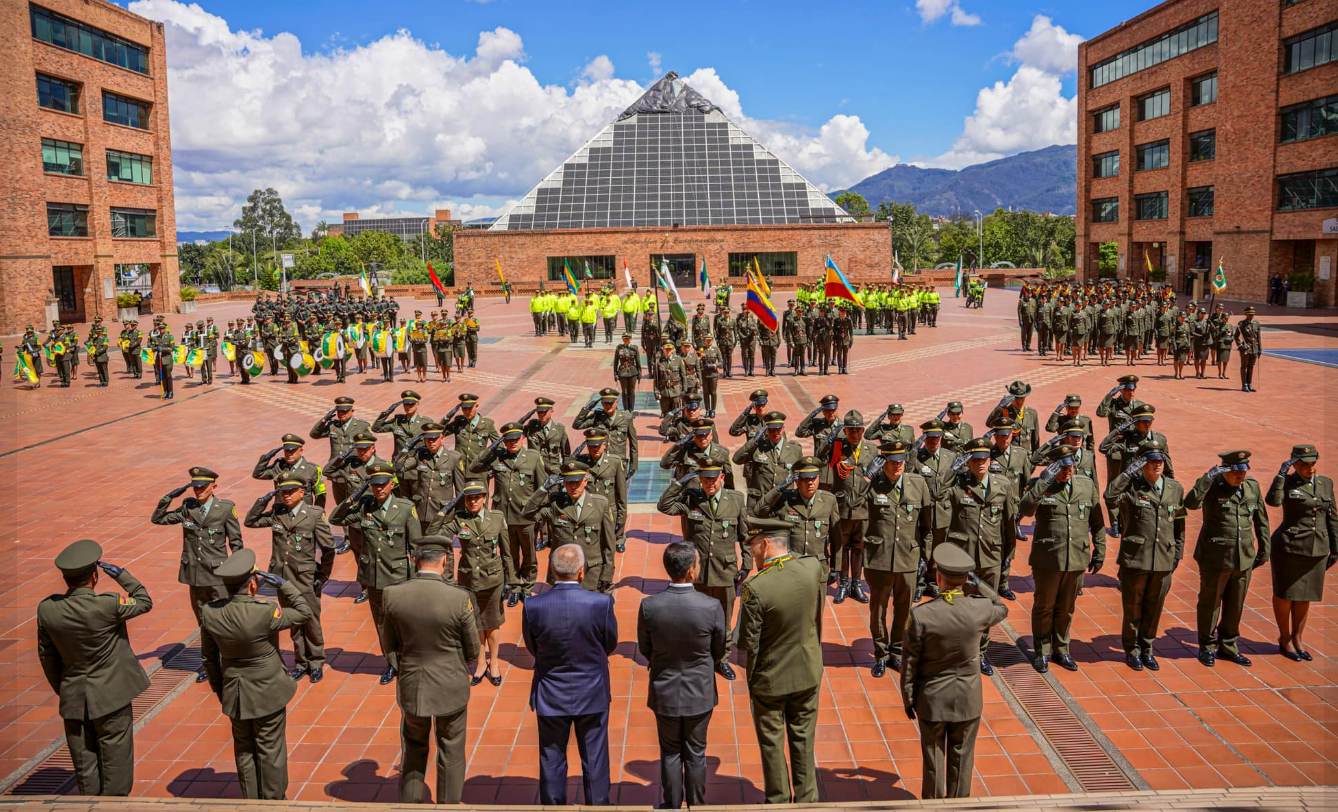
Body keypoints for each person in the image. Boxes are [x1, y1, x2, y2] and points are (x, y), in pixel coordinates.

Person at [36, 540, 152, 796]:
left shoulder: (47, 609)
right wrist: (122, 575)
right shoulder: (108, 604)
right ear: (95, 575)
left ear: (66, 578)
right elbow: (144, 600)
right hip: (112, 696)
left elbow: (48, 657)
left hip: (74, 697)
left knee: (85, 767)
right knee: (117, 762)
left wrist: (65, 688)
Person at [199, 549, 311, 800]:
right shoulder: (265, 611)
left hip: (235, 690)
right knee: (270, 747)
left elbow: (208, 659)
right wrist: (285, 586)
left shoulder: (210, 612)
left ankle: (251, 800)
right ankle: (272, 801)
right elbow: (304, 612)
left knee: (244, 748)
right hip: (268, 690)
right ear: (252, 583)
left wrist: (221, 691)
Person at [901, 544, 1008, 799]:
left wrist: (908, 697)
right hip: (968, 700)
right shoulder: (979, 610)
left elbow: (910, 663)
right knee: (962, 764)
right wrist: (979, 584)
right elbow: (1001, 607)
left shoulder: (921, 616)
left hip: (932, 699)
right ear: (965, 580)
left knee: (933, 764)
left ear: (938, 578)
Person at [381, 535, 479, 804]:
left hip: (413, 684)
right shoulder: (459, 598)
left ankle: (411, 805)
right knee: (451, 750)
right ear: (446, 561)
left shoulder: (392, 594)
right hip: (450, 685)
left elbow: (389, 645)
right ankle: (447, 806)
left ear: (415, 561)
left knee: (413, 747)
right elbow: (472, 650)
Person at [738, 516, 825, 804]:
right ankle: (807, 801)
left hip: (771, 680)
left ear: (765, 544)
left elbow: (748, 643)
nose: (751, 551)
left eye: (753, 545)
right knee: (803, 740)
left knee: (772, 744)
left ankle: (777, 800)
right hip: (808, 670)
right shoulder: (812, 567)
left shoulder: (756, 587)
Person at [523, 544, 618, 806]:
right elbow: (609, 644)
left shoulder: (533, 605)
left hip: (551, 694)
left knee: (551, 759)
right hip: (592, 691)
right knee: (595, 758)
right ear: (581, 572)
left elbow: (533, 648)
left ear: (553, 570)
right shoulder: (602, 603)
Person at [636, 542, 727, 810]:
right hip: (699, 691)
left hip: (664, 691)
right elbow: (718, 649)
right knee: (696, 753)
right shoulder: (711, 606)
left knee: (670, 752)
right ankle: (697, 806)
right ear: (690, 571)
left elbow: (645, 648)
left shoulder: (649, 606)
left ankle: (672, 805)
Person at [329, 461, 422, 684]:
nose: (378, 488)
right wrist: (354, 496)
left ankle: (409, 662)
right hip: (373, 576)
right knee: (381, 623)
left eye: (382, 484)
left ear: (391, 484)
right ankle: (392, 663)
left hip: (398, 577)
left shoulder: (405, 508)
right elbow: (335, 518)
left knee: (404, 621)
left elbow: (416, 546)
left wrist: (414, 578)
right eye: (373, 485)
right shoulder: (364, 506)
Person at [150, 466, 243, 682]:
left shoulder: (226, 508)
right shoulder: (187, 508)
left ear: (214, 486)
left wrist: (237, 575)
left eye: (202, 486)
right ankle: (209, 666)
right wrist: (170, 496)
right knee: (204, 623)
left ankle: (229, 663)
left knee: (224, 622)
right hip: (195, 577)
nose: (198, 490)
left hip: (218, 577)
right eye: (194, 487)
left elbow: (237, 543)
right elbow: (158, 519)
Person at [656, 462, 749, 678]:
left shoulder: (735, 500)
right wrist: (681, 481)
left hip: (725, 571)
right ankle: (699, 657)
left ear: (722, 477)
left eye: (713, 478)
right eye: (704, 479)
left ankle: (722, 659)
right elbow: (664, 506)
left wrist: (747, 564)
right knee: (696, 618)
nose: (709, 483)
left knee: (724, 619)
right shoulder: (691, 498)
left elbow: (745, 535)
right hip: (696, 572)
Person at [1020, 445, 1105, 673]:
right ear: (1052, 465)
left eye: (1070, 465)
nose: (1067, 469)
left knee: (1066, 608)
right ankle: (1041, 651)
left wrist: (1100, 550)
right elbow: (1026, 509)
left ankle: (1062, 649)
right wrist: (1043, 481)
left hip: (1076, 557)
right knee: (1044, 606)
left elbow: (1097, 520)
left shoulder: (1086, 485)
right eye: (1062, 465)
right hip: (1049, 559)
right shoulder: (1040, 484)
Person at [1102, 437, 1184, 671]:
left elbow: (1179, 523)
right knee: (1133, 608)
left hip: (1163, 558)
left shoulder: (1175, 488)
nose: (1157, 465)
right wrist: (1128, 472)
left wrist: (1177, 552)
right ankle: (1132, 650)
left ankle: (1147, 648)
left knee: (1154, 607)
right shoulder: (1131, 487)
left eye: (1160, 460)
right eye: (1151, 461)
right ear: (1142, 463)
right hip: (1136, 558)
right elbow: (1110, 496)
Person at [243, 476, 336, 683]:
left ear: (301, 492)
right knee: (293, 622)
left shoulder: (313, 514)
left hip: (304, 578)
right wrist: (265, 499)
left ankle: (316, 662)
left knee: (310, 621)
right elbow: (251, 521)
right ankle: (301, 663)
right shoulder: (278, 512)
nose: (285, 495)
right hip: (282, 577)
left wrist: (323, 576)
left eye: (290, 491)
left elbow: (328, 548)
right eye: (282, 492)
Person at [1184, 450, 1270, 667]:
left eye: (1244, 471)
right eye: (1235, 472)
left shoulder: (1252, 486)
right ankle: (1206, 645)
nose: (1241, 475)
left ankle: (1229, 646)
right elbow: (1191, 503)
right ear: (1224, 470)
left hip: (1243, 557)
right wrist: (1208, 477)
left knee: (1235, 604)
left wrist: (1264, 549)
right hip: (1216, 557)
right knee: (1210, 603)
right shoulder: (1211, 485)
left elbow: (1261, 519)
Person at [863, 440, 932, 676]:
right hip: (879, 559)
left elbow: (927, 525)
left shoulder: (917, 483)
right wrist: (865, 478)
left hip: (908, 558)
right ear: (883, 464)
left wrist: (925, 556)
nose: (896, 467)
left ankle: (897, 652)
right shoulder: (873, 483)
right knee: (878, 610)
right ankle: (881, 654)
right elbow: (851, 504)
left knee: (904, 610)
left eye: (900, 462)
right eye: (891, 463)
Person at [1265, 444, 1336, 662]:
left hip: (1316, 547)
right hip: (1290, 547)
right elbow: (1273, 501)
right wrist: (1280, 474)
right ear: (1294, 464)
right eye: (1304, 464)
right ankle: (1284, 638)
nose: (1310, 468)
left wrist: (1335, 546)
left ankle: (1298, 638)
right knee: (1285, 593)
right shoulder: (1287, 483)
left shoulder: (1325, 483)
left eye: (1313, 463)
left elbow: (1332, 515)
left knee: (1305, 595)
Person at [1234, 306, 1263, 392]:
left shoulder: (1256, 323)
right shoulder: (1242, 324)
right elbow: (1236, 336)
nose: (1251, 316)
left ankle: (1249, 384)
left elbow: (1258, 337)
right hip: (1246, 348)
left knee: (1251, 366)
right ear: (1246, 314)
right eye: (1250, 314)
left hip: (1254, 348)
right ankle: (1244, 385)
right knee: (1244, 367)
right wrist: (1240, 345)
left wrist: (1260, 349)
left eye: (1252, 314)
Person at [613, 332, 642, 412]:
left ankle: (631, 409)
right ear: (623, 339)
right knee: (625, 392)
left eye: (628, 338)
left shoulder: (634, 348)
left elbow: (638, 361)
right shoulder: (619, 348)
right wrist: (615, 373)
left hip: (633, 372)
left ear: (631, 339)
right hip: (623, 372)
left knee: (631, 392)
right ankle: (626, 409)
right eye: (625, 339)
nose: (626, 340)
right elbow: (616, 362)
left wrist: (639, 373)